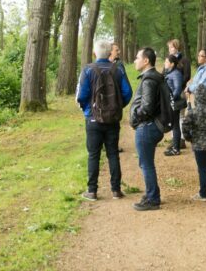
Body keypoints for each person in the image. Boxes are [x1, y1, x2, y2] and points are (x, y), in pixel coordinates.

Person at [77, 40, 132, 201]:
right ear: (109, 54)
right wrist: (117, 107)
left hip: (93, 118)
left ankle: (92, 191)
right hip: (113, 119)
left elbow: (82, 95)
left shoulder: (88, 70)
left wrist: (88, 110)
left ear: (95, 54)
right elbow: (127, 92)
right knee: (113, 153)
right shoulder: (117, 70)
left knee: (94, 155)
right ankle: (116, 190)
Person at [129, 47, 166, 211]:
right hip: (152, 126)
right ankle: (152, 194)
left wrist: (136, 117)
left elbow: (147, 107)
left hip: (147, 127)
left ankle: (152, 199)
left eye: (137, 58)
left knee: (146, 164)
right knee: (145, 163)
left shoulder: (149, 80)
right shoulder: (154, 77)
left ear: (146, 61)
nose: (135, 60)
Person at [163, 55, 184, 156]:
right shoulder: (169, 72)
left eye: (166, 62)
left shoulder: (176, 74)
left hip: (173, 103)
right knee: (173, 125)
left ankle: (176, 149)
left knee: (175, 125)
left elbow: (178, 89)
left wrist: (170, 99)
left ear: (172, 64)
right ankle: (175, 144)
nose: (165, 63)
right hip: (170, 102)